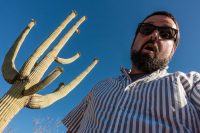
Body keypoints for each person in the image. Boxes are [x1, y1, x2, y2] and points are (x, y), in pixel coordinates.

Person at [62, 11, 200, 133]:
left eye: (166, 33)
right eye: (147, 29)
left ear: (172, 51)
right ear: (134, 40)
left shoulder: (190, 83)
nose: (155, 35)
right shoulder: (100, 86)